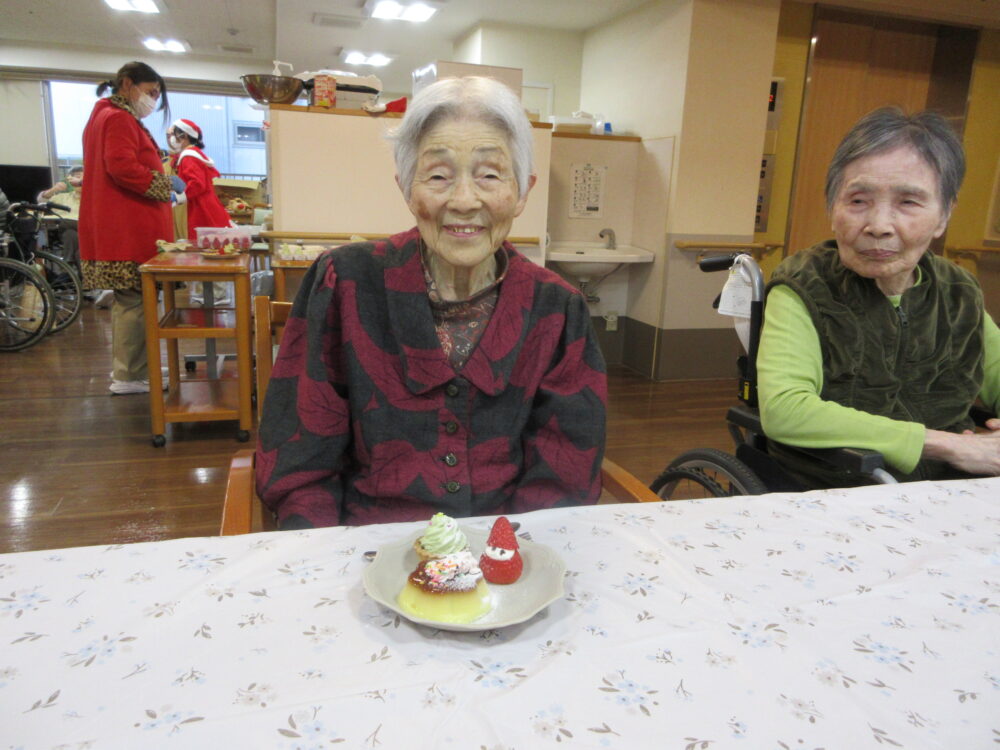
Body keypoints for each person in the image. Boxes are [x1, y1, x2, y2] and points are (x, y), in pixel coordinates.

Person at [256, 76, 607, 529]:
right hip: (367, 551)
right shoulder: (342, 283)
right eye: (439, 176)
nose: (464, 201)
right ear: (406, 187)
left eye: (490, 175)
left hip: (505, 560)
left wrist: (509, 565)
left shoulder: (558, 309)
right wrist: (326, 565)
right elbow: (299, 461)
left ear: (521, 192)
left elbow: (565, 476)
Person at [758, 107, 1000, 488]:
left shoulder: (958, 291)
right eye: (857, 201)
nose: (878, 226)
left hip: (950, 486)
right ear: (831, 208)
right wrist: (947, 445)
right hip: (838, 483)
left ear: (943, 216)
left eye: (908, 202)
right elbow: (785, 410)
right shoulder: (803, 286)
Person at [78, 61, 174, 395]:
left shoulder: (105, 116)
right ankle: (130, 375)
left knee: (135, 301)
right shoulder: (117, 118)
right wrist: (164, 184)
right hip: (126, 230)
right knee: (133, 302)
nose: (151, 100)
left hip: (122, 227)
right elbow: (122, 168)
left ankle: (137, 366)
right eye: (150, 92)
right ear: (127, 83)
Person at [166, 118, 234, 305]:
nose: (170, 138)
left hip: (203, 210)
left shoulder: (189, 157)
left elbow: (197, 184)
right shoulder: (192, 155)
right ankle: (212, 293)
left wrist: (179, 196)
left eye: (172, 134)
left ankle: (217, 294)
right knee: (210, 250)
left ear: (184, 135)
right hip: (205, 207)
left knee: (210, 251)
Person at [37, 166, 83, 267]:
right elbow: (41, 201)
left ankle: (67, 266)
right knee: (70, 235)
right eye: (75, 177)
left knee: (66, 223)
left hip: (90, 233)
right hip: (73, 236)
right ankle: (69, 265)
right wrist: (54, 189)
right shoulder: (64, 197)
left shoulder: (94, 197)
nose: (76, 180)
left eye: (80, 177)